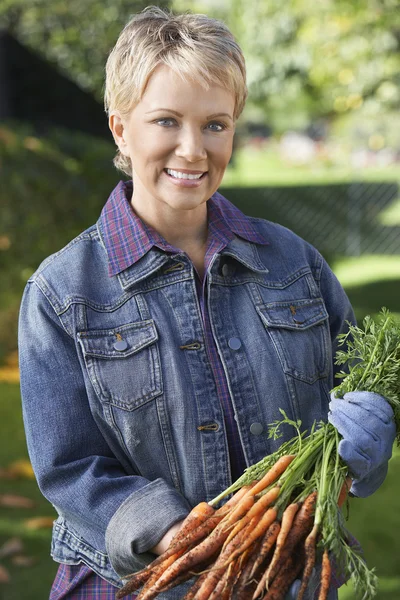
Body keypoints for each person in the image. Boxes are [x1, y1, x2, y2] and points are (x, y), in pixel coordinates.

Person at [18, 6, 396, 600]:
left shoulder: (294, 263)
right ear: (121, 129)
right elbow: (68, 468)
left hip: (282, 579)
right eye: (166, 121)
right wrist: (174, 534)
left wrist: (370, 442)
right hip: (132, 587)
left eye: (215, 125)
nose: (193, 150)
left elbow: (350, 401)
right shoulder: (62, 292)